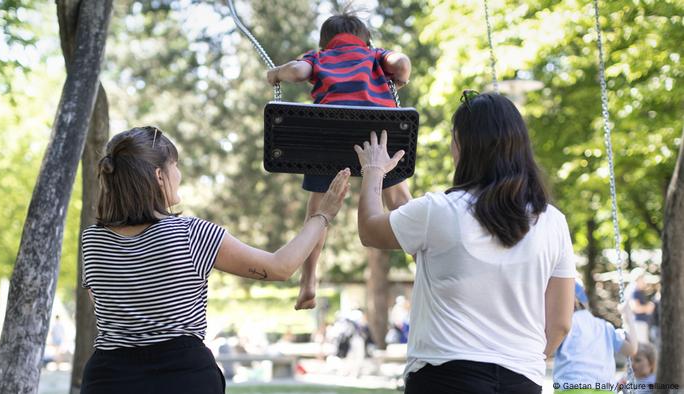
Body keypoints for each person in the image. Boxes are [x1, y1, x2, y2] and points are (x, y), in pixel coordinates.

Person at [80, 126, 350, 394]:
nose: (179, 174)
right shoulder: (190, 233)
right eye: (175, 165)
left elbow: (102, 304)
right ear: (159, 176)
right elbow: (280, 267)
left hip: (107, 378)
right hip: (183, 378)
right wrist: (322, 215)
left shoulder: (92, 241)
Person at [353, 91, 576, 393]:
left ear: (464, 147)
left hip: (445, 377)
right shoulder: (552, 221)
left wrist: (373, 170)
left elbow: (369, 229)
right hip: (523, 379)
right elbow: (561, 323)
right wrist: (524, 362)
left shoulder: (440, 211)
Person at [266, 11, 412, 310]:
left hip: (328, 134)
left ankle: (308, 279)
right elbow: (402, 63)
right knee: (399, 199)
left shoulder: (319, 56)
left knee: (318, 212)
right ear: (364, 38)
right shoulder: (374, 54)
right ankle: (428, 256)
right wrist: (402, 79)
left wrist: (276, 73)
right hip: (377, 134)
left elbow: (297, 72)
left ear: (325, 41)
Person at [552, 282, 638, 393]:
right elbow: (632, 349)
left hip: (572, 387)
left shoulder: (564, 325)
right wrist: (628, 317)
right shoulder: (605, 327)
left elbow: (546, 351)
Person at [628, 268, 655, 343]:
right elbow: (635, 308)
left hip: (641, 323)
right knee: (642, 346)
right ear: (638, 279)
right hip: (638, 324)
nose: (644, 281)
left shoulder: (638, 291)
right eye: (643, 279)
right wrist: (648, 307)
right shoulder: (635, 291)